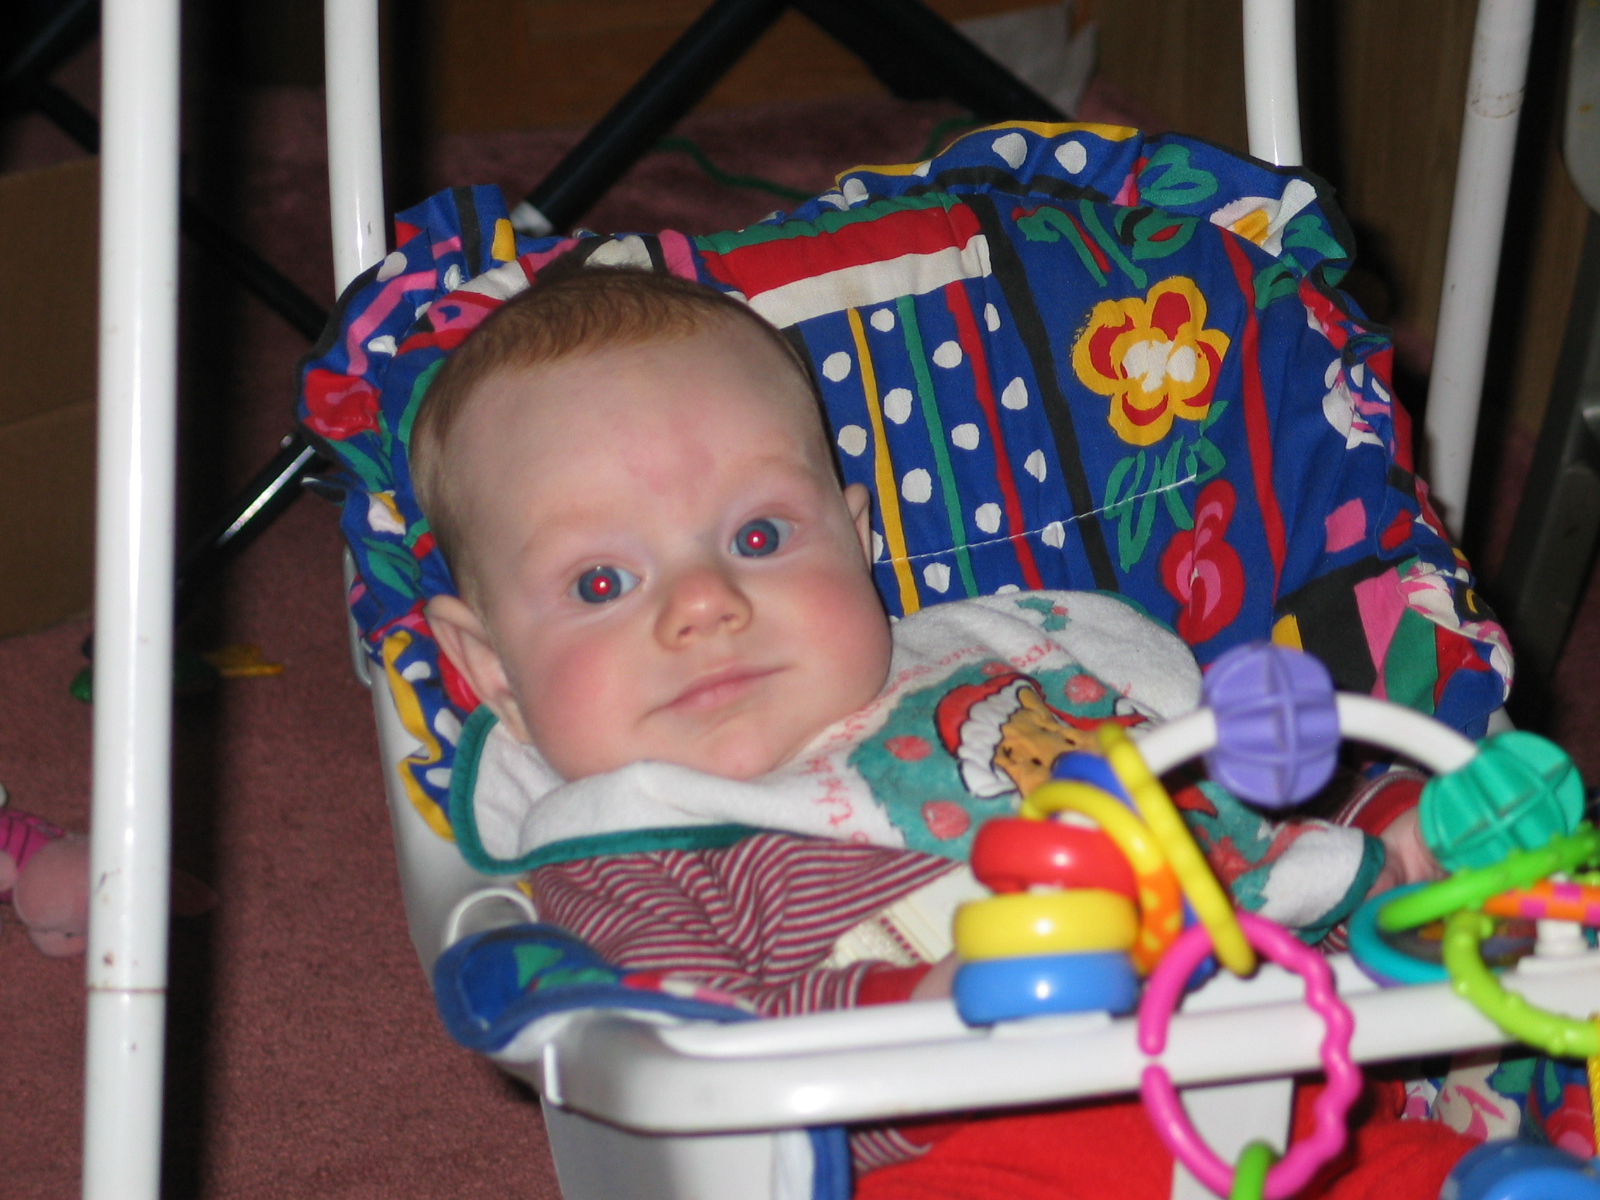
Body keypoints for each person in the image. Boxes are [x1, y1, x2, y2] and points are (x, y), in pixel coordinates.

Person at [411, 260, 1471, 1194]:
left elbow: (1232, 854)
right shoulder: (623, 838)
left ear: (856, 537)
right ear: (492, 668)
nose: (703, 603)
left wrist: (1383, 852)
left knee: (1436, 1166)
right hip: (969, 1162)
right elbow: (694, 1063)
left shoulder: (1013, 668)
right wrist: (929, 1006)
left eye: (759, 535)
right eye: (600, 581)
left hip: (1286, 1112)